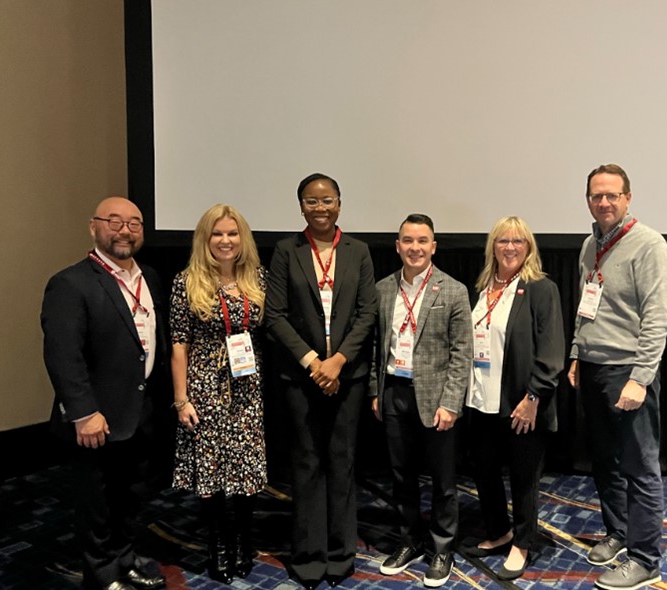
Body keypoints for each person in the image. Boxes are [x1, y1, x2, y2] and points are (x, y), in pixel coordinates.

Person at [41, 196, 167, 590]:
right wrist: (83, 413)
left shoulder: (150, 277)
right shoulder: (70, 283)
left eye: (134, 223)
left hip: (140, 412)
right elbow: (63, 355)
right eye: (114, 222)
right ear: (93, 227)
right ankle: (101, 575)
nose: (124, 230)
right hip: (96, 419)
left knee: (130, 497)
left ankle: (124, 561)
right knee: (96, 503)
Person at [264, 173, 378, 589]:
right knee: (307, 463)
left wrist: (339, 362)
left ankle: (340, 553)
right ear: (301, 207)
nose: (320, 208)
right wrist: (315, 363)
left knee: (341, 463)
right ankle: (309, 555)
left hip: (348, 377)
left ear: (339, 204)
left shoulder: (358, 251)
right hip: (301, 376)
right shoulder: (286, 251)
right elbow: (274, 315)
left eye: (327, 200)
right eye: (311, 201)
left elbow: (367, 312)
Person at [568, 164, 667, 590]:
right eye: (597, 196)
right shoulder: (589, 244)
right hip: (593, 368)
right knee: (605, 461)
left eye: (612, 195)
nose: (604, 202)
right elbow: (585, 305)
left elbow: (657, 318)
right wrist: (576, 353)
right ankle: (619, 533)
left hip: (628, 371)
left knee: (639, 466)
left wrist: (641, 377)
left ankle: (646, 560)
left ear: (628, 198)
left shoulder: (649, 245)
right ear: (588, 201)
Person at [370, 214, 473, 588]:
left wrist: (451, 403)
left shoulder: (453, 290)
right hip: (394, 393)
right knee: (402, 476)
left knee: (443, 481)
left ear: (434, 246)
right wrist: (375, 391)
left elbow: (462, 352)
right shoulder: (382, 289)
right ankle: (409, 541)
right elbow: (376, 346)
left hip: (436, 399)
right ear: (398, 246)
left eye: (422, 241)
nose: (415, 248)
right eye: (408, 241)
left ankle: (442, 547)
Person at [169, 204, 267, 584]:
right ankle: (217, 546)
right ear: (205, 239)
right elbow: (179, 344)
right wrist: (181, 399)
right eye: (217, 234)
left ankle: (243, 543)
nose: (225, 241)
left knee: (245, 471)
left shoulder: (257, 278)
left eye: (232, 233)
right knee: (210, 474)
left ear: (243, 238)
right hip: (204, 388)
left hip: (246, 387)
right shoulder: (186, 281)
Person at [463, 216, 565, 580]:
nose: (510, 247)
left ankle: (522, 543)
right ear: (492, 246)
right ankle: (499, 532)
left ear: (529, 248)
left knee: (524, 478)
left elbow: (552, 351)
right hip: (480, 400)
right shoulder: (482, 288)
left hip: (522, 403)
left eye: (518, 241)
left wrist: (533, 396)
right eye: (502, 240)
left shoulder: (540, 288)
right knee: (484, 471)